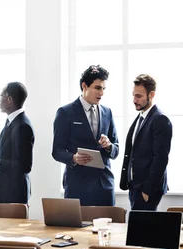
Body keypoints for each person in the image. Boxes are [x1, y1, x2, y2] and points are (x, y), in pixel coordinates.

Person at [52, 65, 119, 206]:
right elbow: (57, 151)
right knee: (76, 228)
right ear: (84, 86)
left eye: (103, 88)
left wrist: (108, 146)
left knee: (108, 228)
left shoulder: (108, 112)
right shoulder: (65, 112)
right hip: (78, 186)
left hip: (104, 186)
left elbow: (116, 150)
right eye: (98, 88)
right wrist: (74, 158)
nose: (101, 93)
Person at [119, 74, 172, 211]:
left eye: (139, 96)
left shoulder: (160, 119)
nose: (134, 100)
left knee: (144, 230)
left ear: (152, 94)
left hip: (146, 189)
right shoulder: (141, 117)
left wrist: (147, 189)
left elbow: (160, 158)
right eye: (133, 95)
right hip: (135, 187)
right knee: (138, 229)